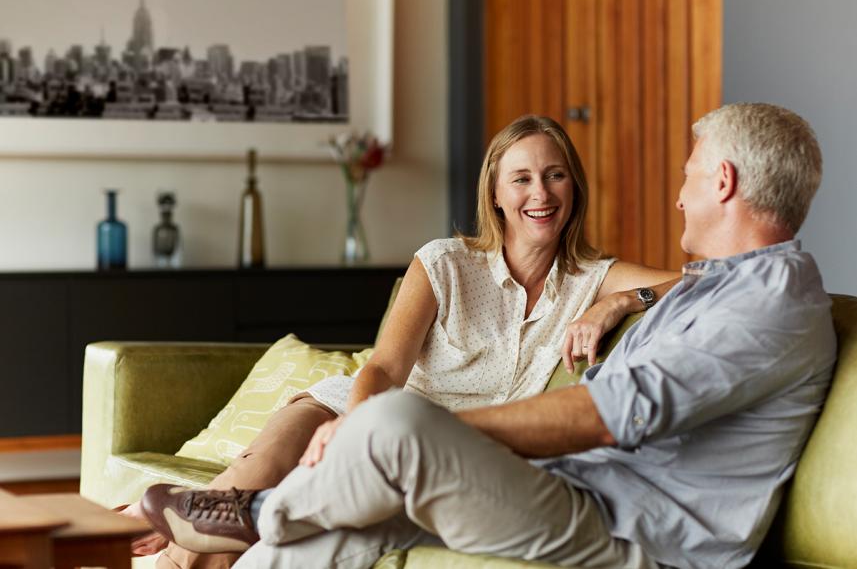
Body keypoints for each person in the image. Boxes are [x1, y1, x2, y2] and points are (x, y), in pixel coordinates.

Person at [140, 102, 836, 568]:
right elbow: (386, 363)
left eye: (687, 178)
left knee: (395, 428)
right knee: (347, 521)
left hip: (636, 534)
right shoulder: (721, 283)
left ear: (721, 181)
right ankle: (249, 525)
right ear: (496, 192)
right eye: (524, 178)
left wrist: (440, 435)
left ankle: (255, 509)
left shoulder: (768, 304)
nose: (678, 195)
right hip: (580, 493)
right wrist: (629, 298)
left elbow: (603, 414)